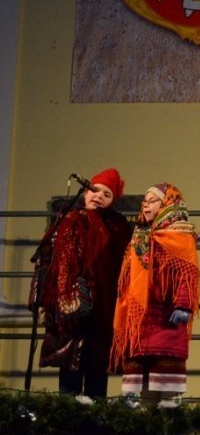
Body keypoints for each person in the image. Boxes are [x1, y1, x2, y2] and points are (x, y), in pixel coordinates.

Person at [28, 168, 131, 400]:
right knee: (69, 376)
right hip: (67, 309)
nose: (99, 196)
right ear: (85, 192)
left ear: (113, 201)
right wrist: (38, 301)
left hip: (102, 310)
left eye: (106, 194)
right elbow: (45, 263)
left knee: (97, 377)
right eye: (94, 190)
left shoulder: (118, 228)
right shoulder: (65, 221)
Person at [109, 182, 200, 407]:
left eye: (152, 201)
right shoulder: (139, 235)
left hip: (165, 320)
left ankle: (168, 422)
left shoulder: (180, 235)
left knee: (167, 393)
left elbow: (187, 275)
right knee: (141, 396)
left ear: (167, 204)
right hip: (138, 322)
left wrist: (184, 304)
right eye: (144, 201)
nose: (145, 205)